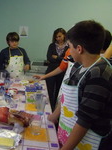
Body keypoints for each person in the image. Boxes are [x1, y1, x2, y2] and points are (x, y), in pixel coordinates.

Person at [48, 20, 112, 150]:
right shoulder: (78, 65)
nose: (69, 51)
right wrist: (52, 117)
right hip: (69, 133)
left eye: (69, 47)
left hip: (89, 141)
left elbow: (85, 120)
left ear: (79, 49)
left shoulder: (99, 74)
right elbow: (67, 97)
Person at [45, 28, 69, 111]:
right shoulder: (52, 45)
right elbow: (49, 58)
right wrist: (61, 59)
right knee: (49, 91)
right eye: (56, 37)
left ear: (64, 35)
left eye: (60, 36)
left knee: (59, 92)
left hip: (63, 72)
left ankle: (57, 111)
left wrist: (57, 57)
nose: (58, 38)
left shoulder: (68, 46)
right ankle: (49, 109)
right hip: (51, 70)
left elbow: (67, 60)